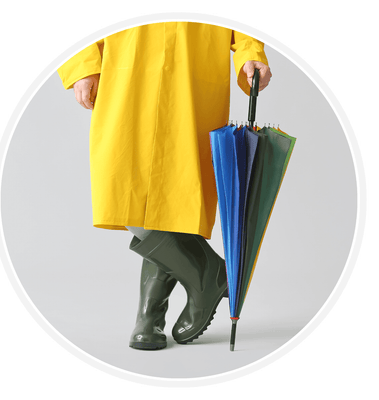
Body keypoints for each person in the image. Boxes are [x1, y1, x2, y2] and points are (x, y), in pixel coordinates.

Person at [57, 22, 272, 350]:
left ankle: (150, 318)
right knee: (123, 192)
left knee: (175, 200)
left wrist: (250, 50)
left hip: (192, 65)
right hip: (127, 63)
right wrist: (82, 63)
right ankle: (208, 274)